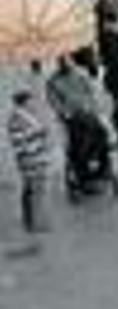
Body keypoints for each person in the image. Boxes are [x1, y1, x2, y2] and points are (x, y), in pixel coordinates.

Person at [7, 90, 52, 234]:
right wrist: (39, 133)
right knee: (35, 191)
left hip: (34, 157)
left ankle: (32, 221)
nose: (32, 103)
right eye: (30, 100)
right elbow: (20, 140)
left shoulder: (24, 116)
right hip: (30, 159)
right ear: (24, 102)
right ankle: (35, 223)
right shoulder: (17, 119)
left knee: (32, 190)